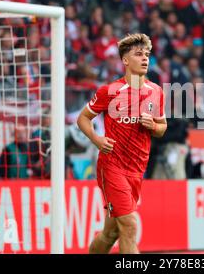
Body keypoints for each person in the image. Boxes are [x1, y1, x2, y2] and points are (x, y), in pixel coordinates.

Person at [77, 33, 167, 254]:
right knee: (129, 225)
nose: (145, 58)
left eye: (147, 54)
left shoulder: (156, 91)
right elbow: (83, 118)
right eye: (138, 54)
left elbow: (162, 128)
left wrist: (152, 126)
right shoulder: (110, 91)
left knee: (111, 234)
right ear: (125, 61)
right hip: (112, 166)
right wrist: (97, 139)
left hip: (136, 170)